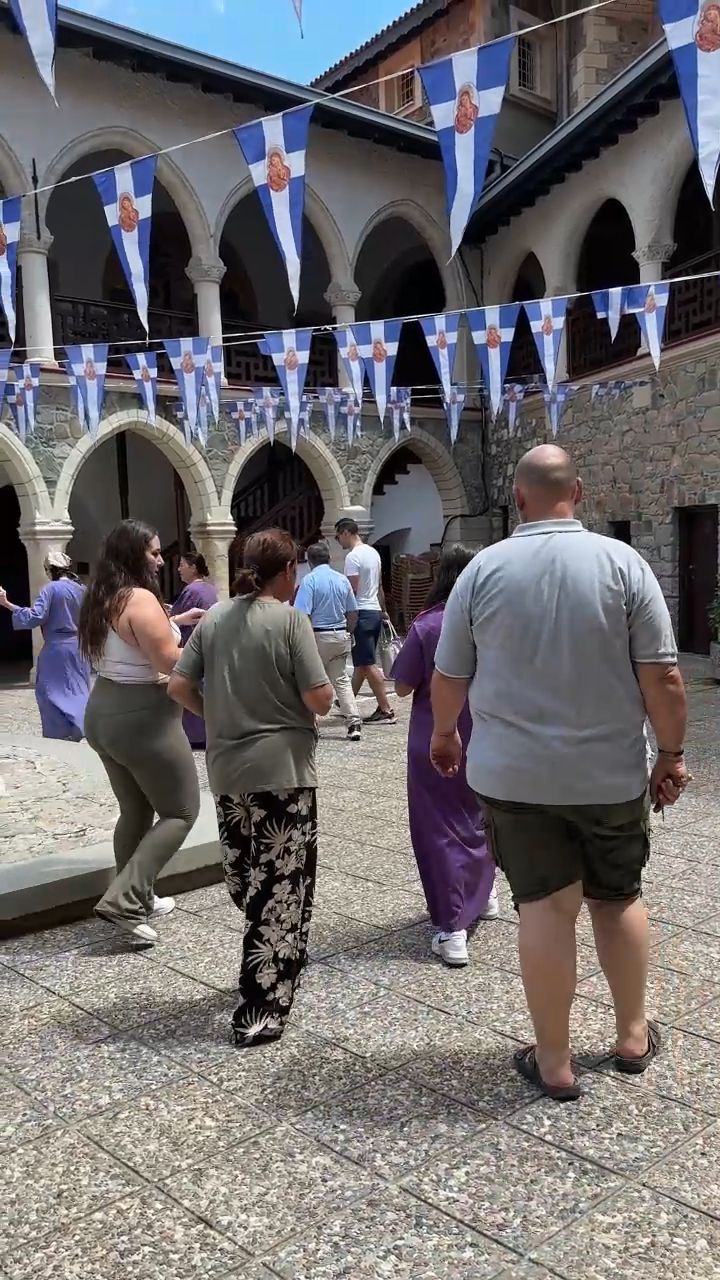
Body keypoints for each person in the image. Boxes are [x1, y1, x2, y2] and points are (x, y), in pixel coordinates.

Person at [431, 445, 689, 1102]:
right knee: (618, 898)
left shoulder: (482, 570)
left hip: (516, 779)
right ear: (578, 490)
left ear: (518, 499)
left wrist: (442, 735)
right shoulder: (623, 564)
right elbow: (663, 675)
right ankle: (631, 1036)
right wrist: (671, 752)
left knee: (545, 907)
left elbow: (449, 674)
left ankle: (554, 1061)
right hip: (609, 775)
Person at [168, 528, 333, 1048]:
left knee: (248, 877)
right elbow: (321, 699)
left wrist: (218, 717)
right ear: (287, 571)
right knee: (279, 887)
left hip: (229, 770)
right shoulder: (290, 621)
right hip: (282, 771)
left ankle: (284, 954)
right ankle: (260, 1002)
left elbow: (178, 685)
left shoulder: (215, 618)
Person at [78, 519, 204, 945]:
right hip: (143, 717)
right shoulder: (140, 599)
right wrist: (214, 640)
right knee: (181, 811)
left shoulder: (100, 597)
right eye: (153, 552)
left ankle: (137, 896)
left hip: (103, 710)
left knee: (135, 810)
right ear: (135, 556)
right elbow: (172, 662)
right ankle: (125, 900)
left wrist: (178, 618)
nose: (160, 558)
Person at [392, 546, 498, 966]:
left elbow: (400, 687)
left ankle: (452, 927)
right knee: (480, 814)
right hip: (484, 732)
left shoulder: (428, 625)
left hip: (434, 735)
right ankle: (485, 892)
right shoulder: (491, 623)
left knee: (437, 827)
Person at [0, 551, 90, 741]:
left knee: (49, 691)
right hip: (79, 647)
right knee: (78, 689)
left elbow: (36, 617)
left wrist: (7, 604)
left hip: (57, 649)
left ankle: (61, 733)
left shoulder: (51, 589)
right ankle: (80, 727)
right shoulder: (82, 589)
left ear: (50, 569)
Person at [294, 541, 362, 742]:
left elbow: (302, 614)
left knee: (311, 680)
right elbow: (353, 612)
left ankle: (311, 724)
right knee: (341, 679)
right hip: (340, 634)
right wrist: (349, 630)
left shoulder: (309, 581)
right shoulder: (342, 580)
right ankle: (354, 723)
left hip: (318, 635)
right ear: (329, 558)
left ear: (310, 561)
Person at [335, 517, 396, 725]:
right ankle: (347, 703)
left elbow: (351, 589)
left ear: (345, 532)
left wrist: (344, 615)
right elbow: (378, 585)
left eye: (337, 537)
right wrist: (384, 611)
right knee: (362, 661)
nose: (338, 542)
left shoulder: (353, 557)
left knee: (368, 663)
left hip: (360, 611)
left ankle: (386, 709)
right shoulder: (373, 553)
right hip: (374, 610)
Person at [170, 551, 219, 748]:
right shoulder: (209, 589)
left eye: (182, 564)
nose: (179, 569)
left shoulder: (193, 591)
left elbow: (180, 616)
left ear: (193, 567)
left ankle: (195, 735)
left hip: (193, 644)